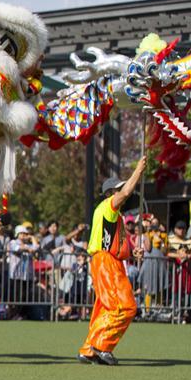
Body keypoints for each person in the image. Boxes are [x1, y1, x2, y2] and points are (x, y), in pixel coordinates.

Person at [78, 154, 147, 365]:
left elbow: (115, 243)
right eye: (118, 190)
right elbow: (127, 192)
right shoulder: (108, 206)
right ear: (110, 194)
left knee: (107, 308)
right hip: (106, 263)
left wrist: (131, 253)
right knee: (125, 306)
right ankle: (102, 346)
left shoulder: (113, 215)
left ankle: (90, 348)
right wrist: (138, 169)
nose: (123, 194)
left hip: (107, 261)